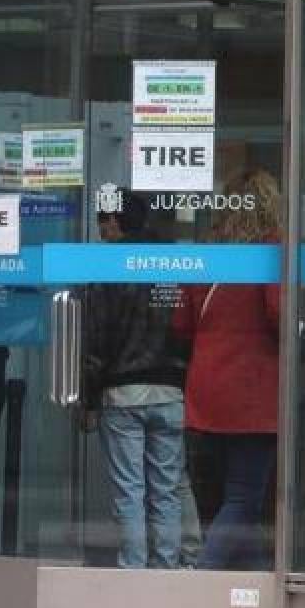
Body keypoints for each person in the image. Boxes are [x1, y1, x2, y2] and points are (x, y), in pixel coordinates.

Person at [173, 169, 282, 570]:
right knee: (243, 499)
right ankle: (201, 581)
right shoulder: (271, 249)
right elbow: (280, 314)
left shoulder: (207, 251)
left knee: (233, 499)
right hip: (251, 391)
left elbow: (180, 323)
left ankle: (256, 585)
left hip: (207, 391)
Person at [83, 190, 190, 568]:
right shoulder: (173, 262)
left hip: (123, 391)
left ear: (116, 221)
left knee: (130, 493)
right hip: (170, 390)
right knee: (166, 492)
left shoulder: (108, 267)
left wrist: (88, 398)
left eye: (102, 220)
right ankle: (165, 572)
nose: (101, 230)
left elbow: (96, 337)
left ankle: (134, 573)